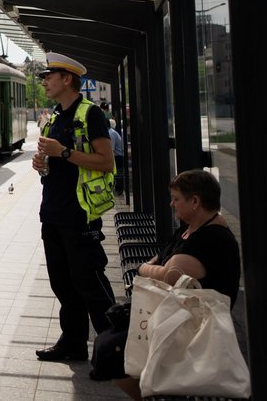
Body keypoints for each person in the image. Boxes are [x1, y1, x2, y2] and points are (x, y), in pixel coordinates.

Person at [103, 170, 241, 399]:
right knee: (111, 340)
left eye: (176, 199)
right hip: (175, 314)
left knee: (112, 352)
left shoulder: (211, 239)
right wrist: (155, 268)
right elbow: (164, 260)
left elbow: (169, 274)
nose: (171, 204)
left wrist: (142, 269)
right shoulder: (191, 227)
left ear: (195, 201)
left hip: (196, 326)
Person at [32, 52, 116, 364]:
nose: (44, 82)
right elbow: (52, 162)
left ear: (67, 79)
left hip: (79, 215)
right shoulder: (53, 117)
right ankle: (74, 343)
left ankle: (115, 347)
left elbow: (106, 162)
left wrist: (64, 152)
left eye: (49, 76)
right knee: (63, 284)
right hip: (53, 212)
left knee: (89, 282)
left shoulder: (90, 113)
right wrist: (42, 163)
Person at [108, 119, 124, 195]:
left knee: (117, 173)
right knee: (118, 173)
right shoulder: (113, 132)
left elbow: (111, 149)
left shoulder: (111, 133)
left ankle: (119, 188)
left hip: (117, 157)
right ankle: (118, 188)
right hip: (118, 156)